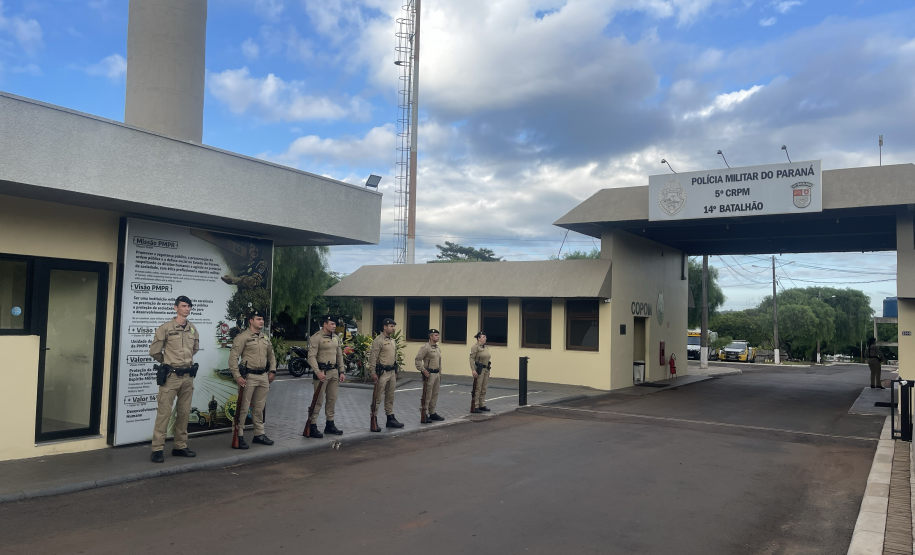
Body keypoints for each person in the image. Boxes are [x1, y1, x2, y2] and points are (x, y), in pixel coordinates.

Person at [148, 296, 200, 463]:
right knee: (164, 413)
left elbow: (195, 349)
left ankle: (180, 446)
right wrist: (169, 362)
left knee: (184, 413)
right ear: (175, 307)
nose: (187, 309)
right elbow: (155, 351)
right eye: (184, 306)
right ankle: (157, 449)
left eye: (189, 306)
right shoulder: (165, 328)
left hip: (187, 377)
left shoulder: (192, 329)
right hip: (171, 377)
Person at [229, 309, 277, 449]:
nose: (261, 321)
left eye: (262, 319)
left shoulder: (265, 338)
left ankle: (259, 434)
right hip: (248, 377)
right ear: (251, 321)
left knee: (259, 408)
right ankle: (239, 435)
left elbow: (271, 356)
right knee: (243, 408)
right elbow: (233, 358)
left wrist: (272, 371)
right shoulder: (242, 337)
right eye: (258, 319)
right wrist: (237, 376)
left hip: (263, 376)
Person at [305, 315, 346, 438]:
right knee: (318, 400)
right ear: (325, 324)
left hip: (333, 372)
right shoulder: (316, 337)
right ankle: (312, 425)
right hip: (322, 372)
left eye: (335, 324)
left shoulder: (336, 338)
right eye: (332, 324)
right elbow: (311, 357)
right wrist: (317, 372)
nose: (334, 326)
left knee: (332, 400)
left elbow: (339, 355)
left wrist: (342, 371)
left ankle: (330, 424)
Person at [368, 318, 404, 429]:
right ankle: (374, 418)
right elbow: (373, 358)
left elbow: (394, 357)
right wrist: (373, 372)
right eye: (391, 326)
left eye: (394, 326)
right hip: (382, 372)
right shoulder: (378, 341)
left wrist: (396, 371)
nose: (393, 328)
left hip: (392, 372)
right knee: (378, 397)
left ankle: (390, 418)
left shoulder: (392, 341)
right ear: (385, 327)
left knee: (390, 396)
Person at [415, 329, 445, 423]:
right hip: (429, 374)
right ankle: (424, 413)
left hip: (436, 374)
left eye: (438, 335)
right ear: (431, 336)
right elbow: (418, 360)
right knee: (427, 394)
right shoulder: (426, 347)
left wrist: (440, 374)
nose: (438, 337)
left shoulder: (437, 348)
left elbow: (439, 363)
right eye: (436, 335)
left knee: (434, 394)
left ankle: (432, 413)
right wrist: (423, 370)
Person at [469, 332, 492, 414]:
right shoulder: (475, 347)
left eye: (485, 337)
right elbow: (471, 359)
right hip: (479, 369)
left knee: (484, 387)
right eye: (483, 337)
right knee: (478, 387)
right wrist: (473, 370)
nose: (485, 338)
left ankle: (482, 404)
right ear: (478, 338)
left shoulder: (485, 347)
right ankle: (475, 405)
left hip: (486, 369)